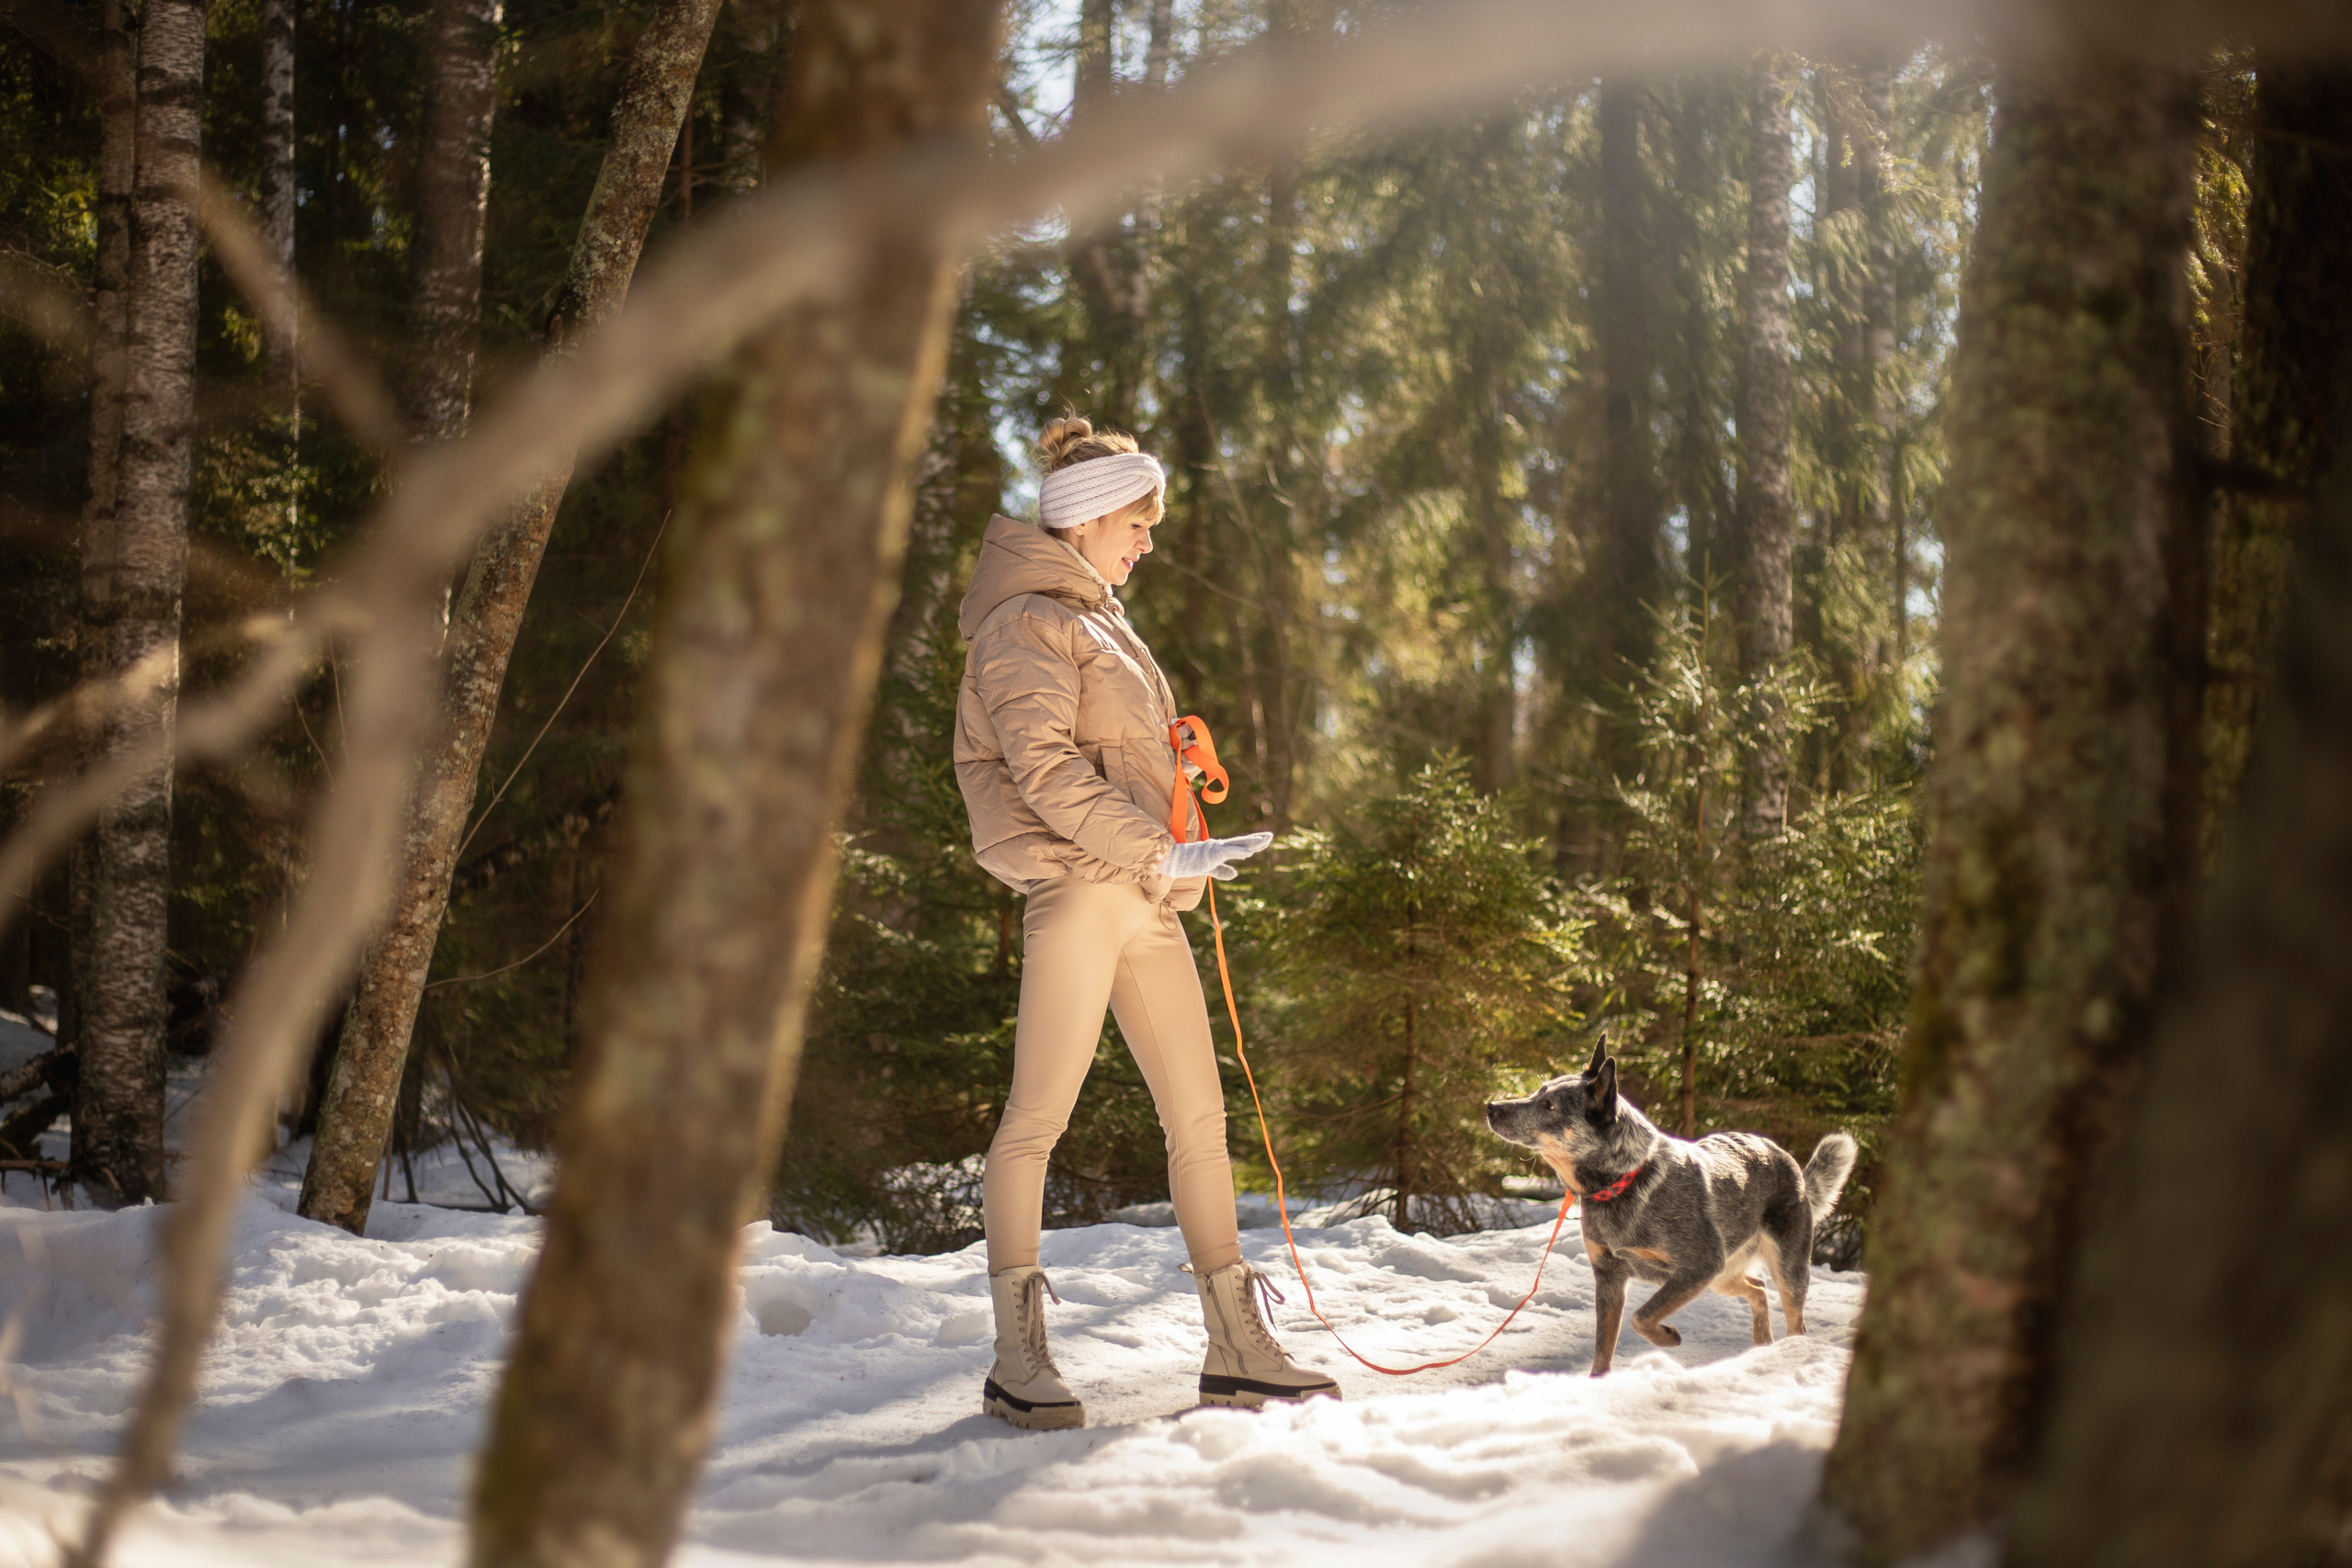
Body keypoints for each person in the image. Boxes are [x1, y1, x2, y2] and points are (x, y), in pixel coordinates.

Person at [953, 416, 1340, 1429]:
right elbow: (1041, 769)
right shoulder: (1025, 622)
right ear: (1084, 522)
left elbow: (1124, 763)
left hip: (1142, 896)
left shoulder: (1100, 622)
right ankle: (1018, 1358)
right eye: (1137, 520)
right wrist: (1154, 851)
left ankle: (1236, 1347)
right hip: (1083, 893)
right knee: (1035, 1121)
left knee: (1201, 1121)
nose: (1149, 541)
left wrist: (1178, 850)